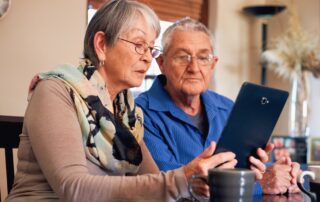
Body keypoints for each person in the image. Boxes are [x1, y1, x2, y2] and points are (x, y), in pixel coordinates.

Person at [4, 1, 244, 201]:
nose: (147, 58)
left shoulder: (126, 112)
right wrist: (181, 178)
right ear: (101, 45)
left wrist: (197, 182)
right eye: (139, 45)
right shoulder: (55, 91)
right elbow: (73, 189)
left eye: (151, 49)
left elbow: (152, 181)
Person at [135, 17, 301, 195]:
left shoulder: (227, 107)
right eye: (183, 57)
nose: (194, 67)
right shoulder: (139, 113)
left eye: (203, 57)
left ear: (213, 64)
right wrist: (259, 185)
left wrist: (279, 174)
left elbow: (251, 170)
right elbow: (168, 185)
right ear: (161, 63)